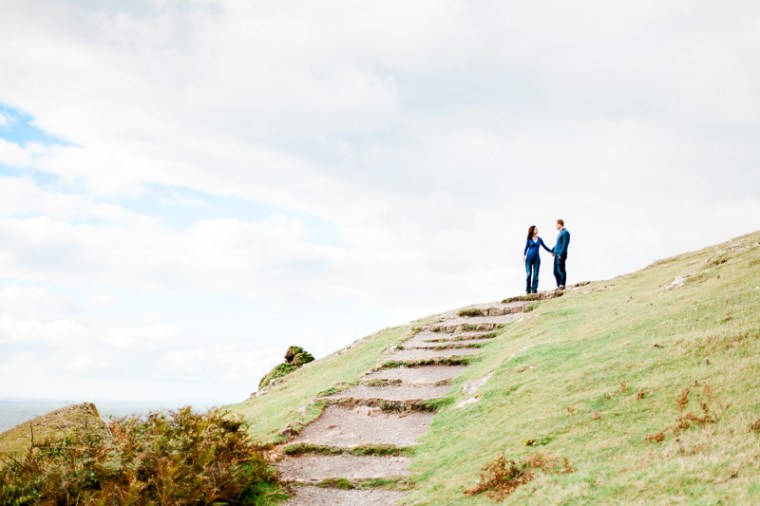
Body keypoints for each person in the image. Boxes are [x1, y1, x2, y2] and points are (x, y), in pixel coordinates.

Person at [523, 225, 552, 294]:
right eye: (535, 229)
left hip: (537, 259)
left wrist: (551, 251)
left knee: (536, 275)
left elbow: (545, 247)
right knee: (529, 274)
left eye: (537, 229)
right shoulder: (529, 239)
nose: (537, 230)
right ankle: (528, 289)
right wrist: (524, 255)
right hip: (528, 259)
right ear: (532, 231)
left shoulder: (540, 239)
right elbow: (526, 248)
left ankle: (534, 289)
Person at [551, 219, 570, 289]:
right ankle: (559, 285)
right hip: (556, 254)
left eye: (556, 224)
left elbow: (565, 244)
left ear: (559, 224)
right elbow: (558, 244)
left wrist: (561, 254)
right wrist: (553, 250)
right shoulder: (560, 233)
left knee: (561, 270)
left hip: (561, 254)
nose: (555, 226)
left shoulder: (566, 232)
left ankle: (562, 284)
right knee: (555, 272)